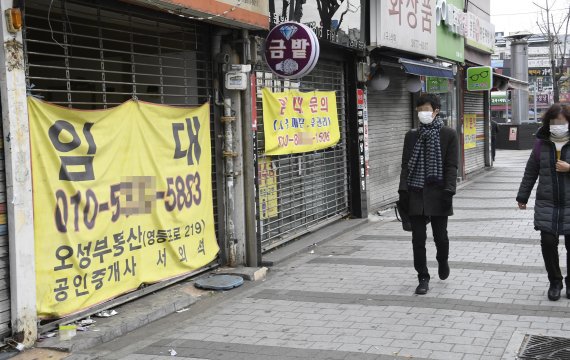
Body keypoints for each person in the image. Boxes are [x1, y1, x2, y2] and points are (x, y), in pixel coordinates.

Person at [398, 94, 459, 295]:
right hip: (416, 192)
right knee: (418, 239)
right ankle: (422, 277)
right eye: (419, 109)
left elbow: (451, 166)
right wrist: (403, 191)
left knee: (440, 237)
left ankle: (443, 260)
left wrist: (449, 190)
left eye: (426, 109)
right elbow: (405, 165)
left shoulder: (448, 134)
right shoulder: (411, 135)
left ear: (436, 111)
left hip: (439, 191)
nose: (422, 113)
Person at [517, 103, 570, 301]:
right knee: (548, 242)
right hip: (547, 202)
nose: (558, 125)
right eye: (554, 122)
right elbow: (531, 171)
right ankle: (555, 281)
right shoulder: (541, 143)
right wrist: (522, 196)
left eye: (562, 122)